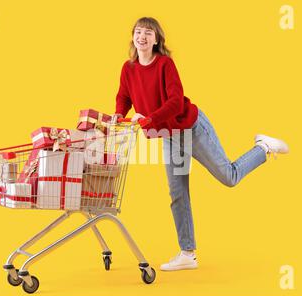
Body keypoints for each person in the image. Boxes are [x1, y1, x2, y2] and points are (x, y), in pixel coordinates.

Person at [111, 17, 289, 271]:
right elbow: (123, 95)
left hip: (190, 127)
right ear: (133, 37)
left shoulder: (165, 64)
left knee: (229, 176)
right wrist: (119, 114)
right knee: (177, 193)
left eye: (148, 33)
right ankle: (187, 253)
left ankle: (263, 147)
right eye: (138, 32)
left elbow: (174, 101)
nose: (142, 37)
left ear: (157, 39)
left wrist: (150, 119)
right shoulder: (128, 68)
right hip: (169, 135)